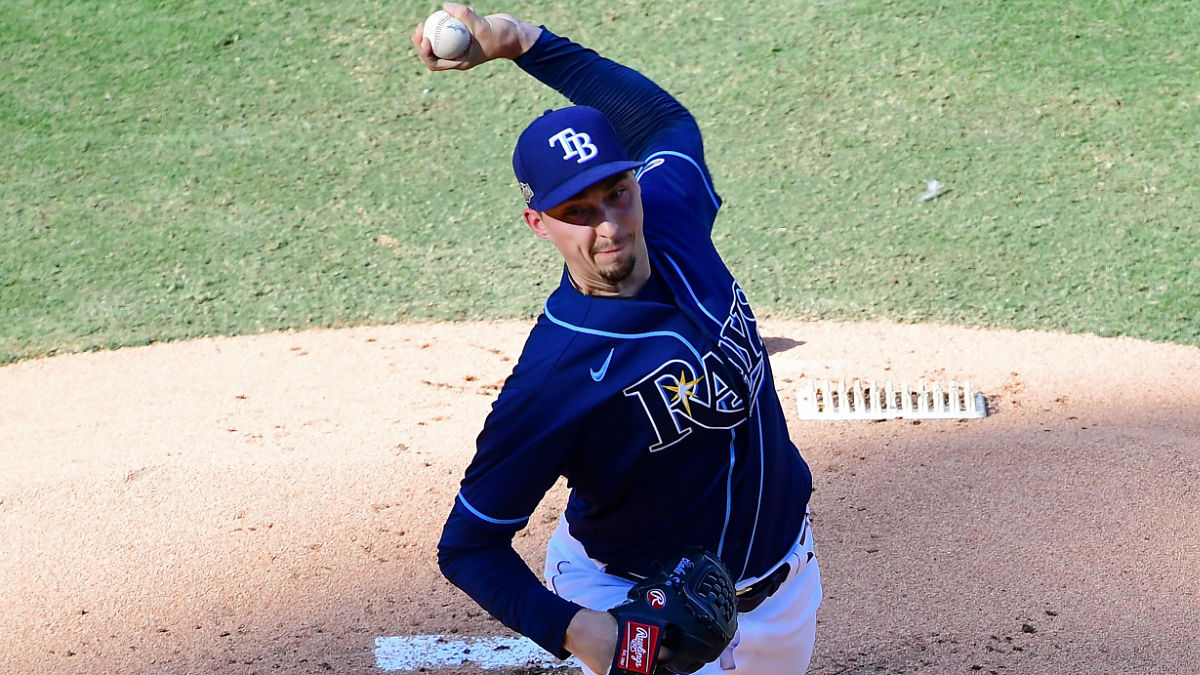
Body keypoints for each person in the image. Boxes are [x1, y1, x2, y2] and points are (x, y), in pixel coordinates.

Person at [414, 4, 822, 673]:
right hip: (647, 614)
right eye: (577, 211)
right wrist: (581, 631)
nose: (609, 226)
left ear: (636, 182)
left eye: (616, 193)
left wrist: (521, 41)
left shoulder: (670, 213)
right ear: (538, 223)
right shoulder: (557, 376)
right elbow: (468, 546)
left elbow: (663, 120)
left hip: (785, 592)